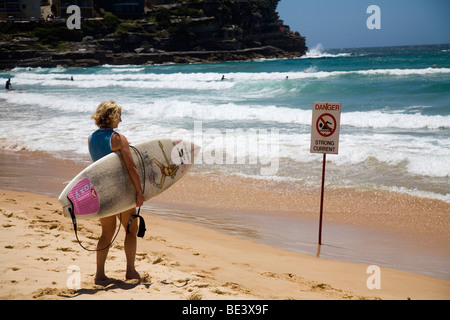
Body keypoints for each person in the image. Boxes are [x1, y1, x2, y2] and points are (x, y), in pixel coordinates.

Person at [88, 100, 145, 283]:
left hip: (101, 191)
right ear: (112, 116)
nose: (121, 119)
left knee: (106, 233)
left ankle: (100, 274)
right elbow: (132, 168)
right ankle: (130, 271)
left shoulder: (91, 138)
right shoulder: (118, 138)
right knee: (130, 229)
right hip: (119, 191)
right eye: (119, 115)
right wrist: (139, 191)